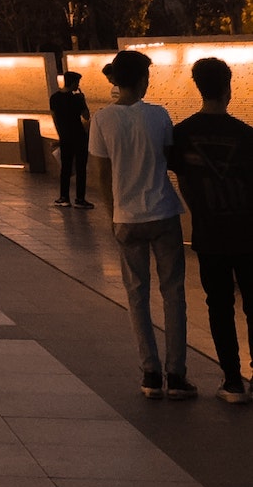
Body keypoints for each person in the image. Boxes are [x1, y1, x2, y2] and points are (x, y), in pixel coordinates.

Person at [89, 49, 195, 400]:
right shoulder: (160, 116)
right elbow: (167, 158)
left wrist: (112, 213)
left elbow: (102, 173)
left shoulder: (102, 119)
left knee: (137, 295)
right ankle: (176, 374)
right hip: (163, 212)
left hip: (127, 217)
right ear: (140, 80)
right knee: (173, 294)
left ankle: (150, 373)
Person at [167, 56, 253, 404]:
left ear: (199, 88)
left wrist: (201, 212)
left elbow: (184, 181)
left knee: (218, 306)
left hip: (208, 234)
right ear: (228, 88)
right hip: (248, 233)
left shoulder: (183, 133)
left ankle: (232, 381)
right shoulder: (246, 135)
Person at [50, 70, 92, 210]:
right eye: (77, 83)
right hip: (79, 136)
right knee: (81, 168)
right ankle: (80, 198)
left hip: (65, 137)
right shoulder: (77, 99)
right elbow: (86, 116)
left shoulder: (54, 98)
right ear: (74, 83)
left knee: (65, 168)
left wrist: (60, 134)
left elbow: (54, 117)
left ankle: (64, 197)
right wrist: (83, 100)